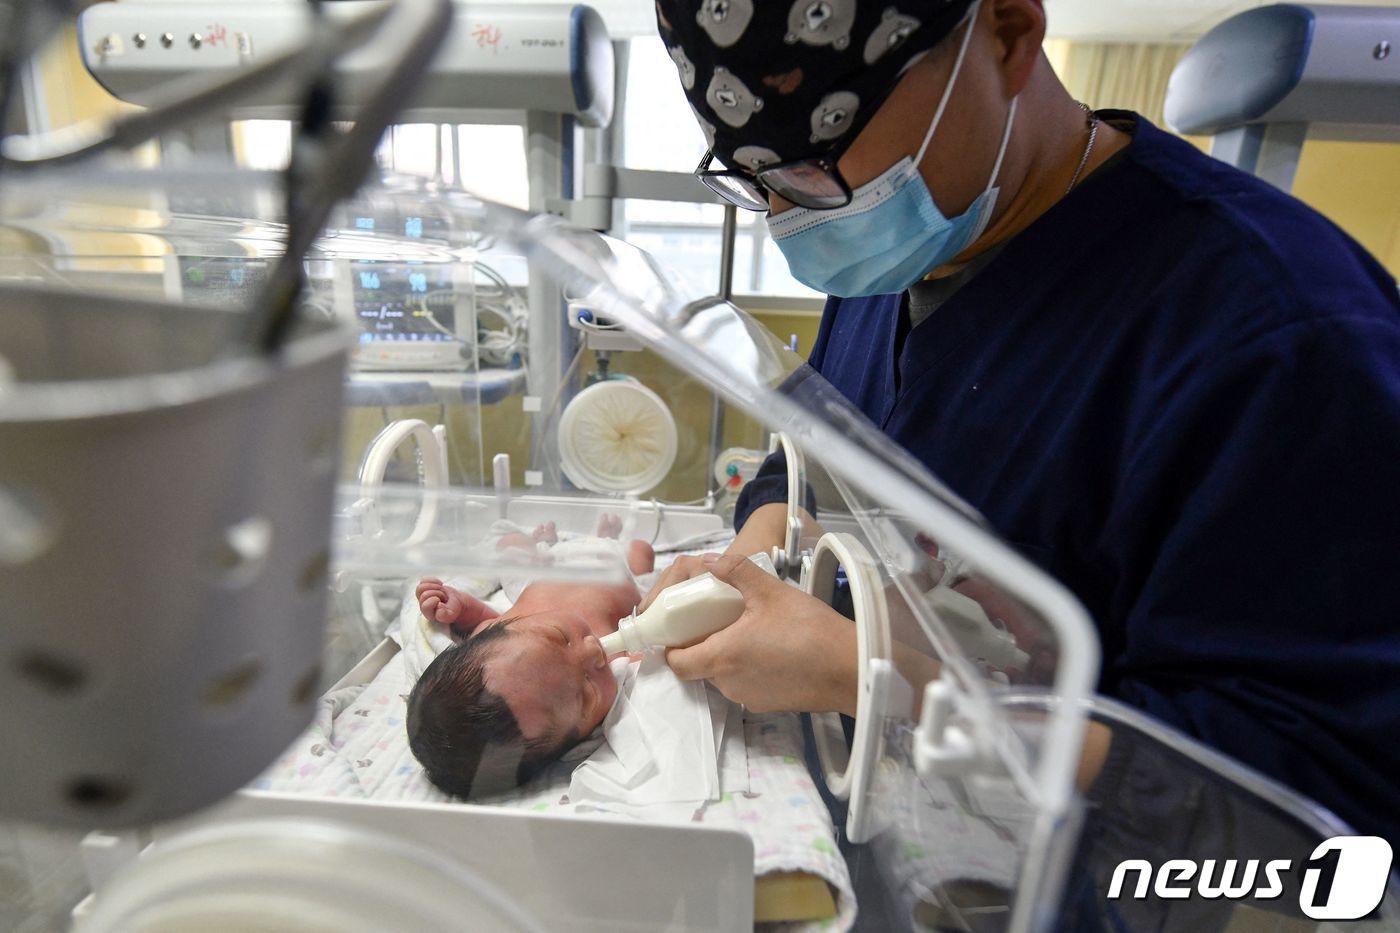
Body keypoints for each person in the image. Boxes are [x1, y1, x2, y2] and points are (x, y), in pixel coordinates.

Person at [649, 0, 1400, 844]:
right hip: (891, 831)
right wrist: (760, 548)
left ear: (1007, 35)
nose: (794, 217)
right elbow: (814, 448)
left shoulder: (1280, 339)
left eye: (816, 163)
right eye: (756, 181)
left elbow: (1314, 806)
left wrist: (883, 679)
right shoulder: (899, 259)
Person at [406, 529, 653, 798]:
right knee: (642, 551)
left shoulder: (496, 631)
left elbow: (483, 617)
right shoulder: (621, 663)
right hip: (618, 567)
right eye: (587, 691)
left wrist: (460, 607)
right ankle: (611, 534)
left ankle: (544, 540)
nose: (593, 651)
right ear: (575, 744)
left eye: (560, 638)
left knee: (511, 542)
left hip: (547, 569)